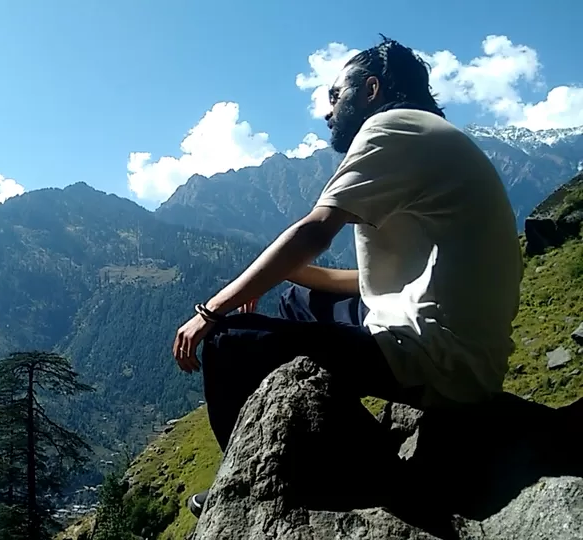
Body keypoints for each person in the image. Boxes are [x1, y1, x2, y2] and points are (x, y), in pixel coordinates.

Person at [171, 35, 524, 519]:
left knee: (227, 343)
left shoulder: (391, 128)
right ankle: (345, 443)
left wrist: (213, 310)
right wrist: (279, 278)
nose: (328, 111)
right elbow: (377, 282)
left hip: (440, 359)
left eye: (336, 96)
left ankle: (252, 485)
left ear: (371, 90)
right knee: (298, 299)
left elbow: (315, 230)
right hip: (457, 347)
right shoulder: (427, 136)